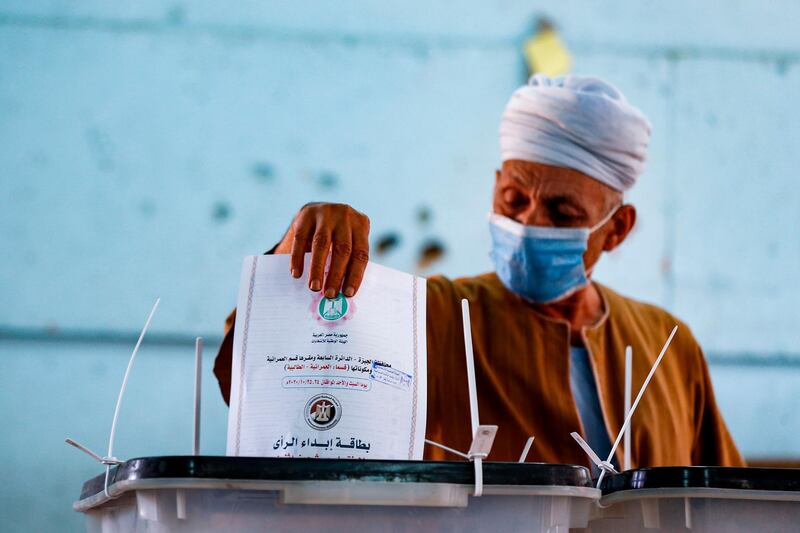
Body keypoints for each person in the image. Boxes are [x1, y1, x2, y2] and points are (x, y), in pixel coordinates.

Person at [214, 74, 744, 468]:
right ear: (495, 188)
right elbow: (259, 382)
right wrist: (296, 250)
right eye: (514, 200)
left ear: (618, 228)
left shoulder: (670, 347)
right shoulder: (434, 316)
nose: (528, 224)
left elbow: (727, 505)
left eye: (563, 213)